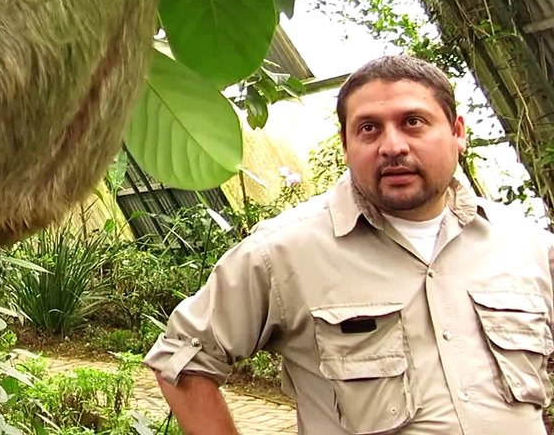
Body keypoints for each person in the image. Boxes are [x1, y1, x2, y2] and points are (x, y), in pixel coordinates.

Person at [145, 54, 554, 434]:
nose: (392, 146)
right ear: (346, 145)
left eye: (413, 121)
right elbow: (183, 361)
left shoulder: (529, 245)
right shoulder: (284, 251)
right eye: (369, 128)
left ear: (457, 132)